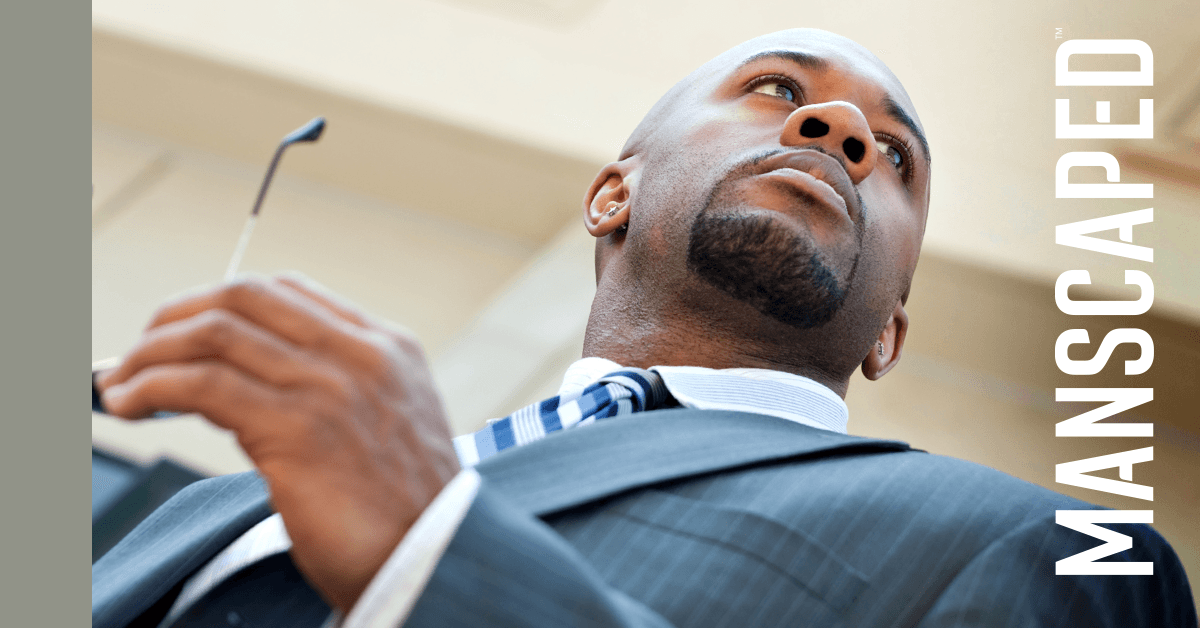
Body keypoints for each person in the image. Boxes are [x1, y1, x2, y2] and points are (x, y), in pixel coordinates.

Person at [92, 28, 1195, 628]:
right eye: (773, 89)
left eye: (895, 155)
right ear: (610, 196)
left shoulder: (1051, 554)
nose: (840, 129)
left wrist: (431, 558)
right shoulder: (224, 508)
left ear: (888, 335)